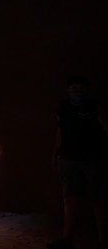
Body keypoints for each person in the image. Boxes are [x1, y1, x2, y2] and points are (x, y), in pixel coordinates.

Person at [48, 75, 108, 249]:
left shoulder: (94, 107)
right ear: (68, 90)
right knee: (70, 199)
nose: (77, 91)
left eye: (80, 88)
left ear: (86, 90)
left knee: (99, 200)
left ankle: (102, 240)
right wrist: (55, 153)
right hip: (69, 160)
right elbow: (60, 131)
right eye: (74, 88)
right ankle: (68, 240)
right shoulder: (63, 107)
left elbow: (105, 126)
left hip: (95, 160)